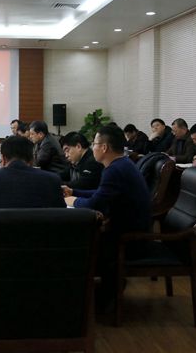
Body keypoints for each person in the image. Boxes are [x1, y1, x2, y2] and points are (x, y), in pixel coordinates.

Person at [64, 126, 151, 309]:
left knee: (81, 244)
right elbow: (101, 193)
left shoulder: (114, 170)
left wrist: (74, 201)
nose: (92, 147)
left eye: (94, 144)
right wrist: (74, 191)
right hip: (128, 229)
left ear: (104, 148)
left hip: (130, 239)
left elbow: (95, 203)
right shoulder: (121, 164)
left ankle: (104, 295)